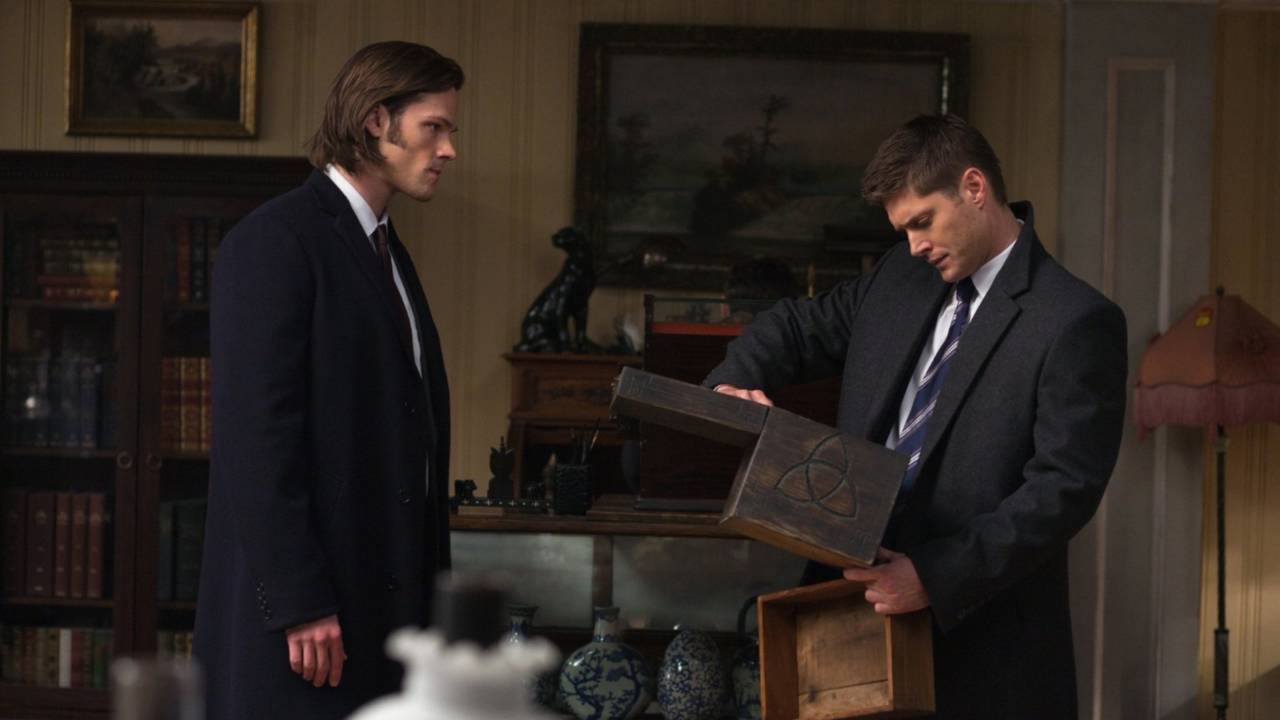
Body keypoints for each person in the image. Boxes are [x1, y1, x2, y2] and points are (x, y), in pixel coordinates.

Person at [705, 114, 1127, 718]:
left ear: (974, 188)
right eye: (902, 230)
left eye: (922, 222)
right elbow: (794, 326)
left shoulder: (1075, 320)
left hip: (980, 638)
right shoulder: (900, 276)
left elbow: (1063, 491)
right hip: (845, 616)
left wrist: (933, 576)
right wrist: (731, 384)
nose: (914, 246)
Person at [194, 41, 462, 720]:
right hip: (308, 624)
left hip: (381, 612)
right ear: (376, 120)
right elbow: (255, 439)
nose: (448, 149)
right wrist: (301, 601)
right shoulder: (275, 241)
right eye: (434, 127)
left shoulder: (389, 251)